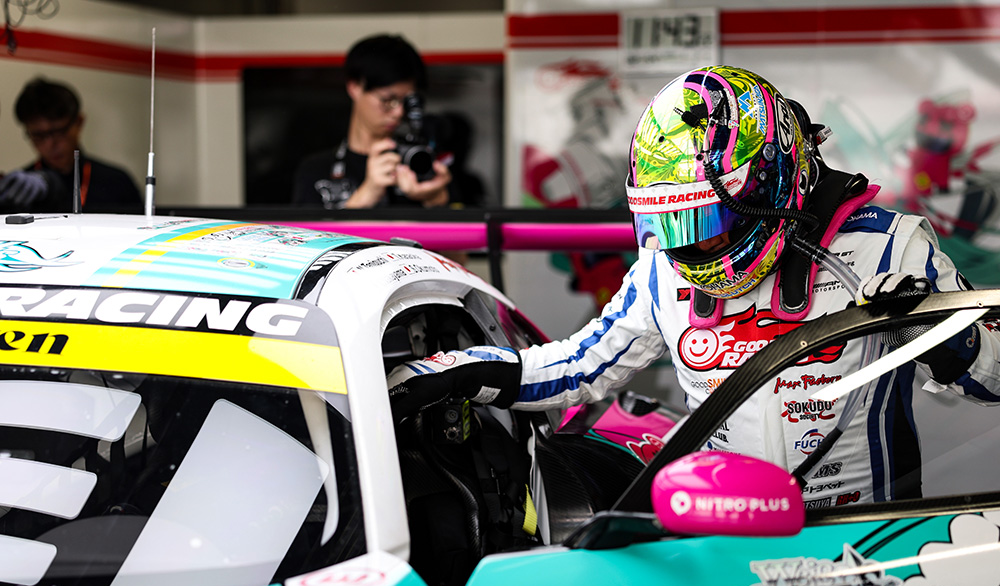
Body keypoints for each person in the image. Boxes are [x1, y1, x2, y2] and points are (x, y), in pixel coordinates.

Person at [386, 65, 1000, 506]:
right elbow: (581, 366)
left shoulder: (888, 245)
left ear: (769, 184)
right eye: (674, 222)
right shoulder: (662, 268)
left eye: (706, 222)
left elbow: (994, 380)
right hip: (724, 536)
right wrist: (462, 369)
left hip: (868, 541)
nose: (690, 245)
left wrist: (940, 331)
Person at [292, 34, 452, 209]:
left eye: (406, 102)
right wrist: (365, 196)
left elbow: (465, 220)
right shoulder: (316, 171)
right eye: (388, 100)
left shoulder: (423, 165)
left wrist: (435, 199)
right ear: (354, 87)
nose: (399, 112)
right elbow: (303, 228)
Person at [4, 77, 142, 214]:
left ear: (79, 122)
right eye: (38, 135)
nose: (50, 144)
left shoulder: (117, 183)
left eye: (59, 132)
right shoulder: (19, 190)